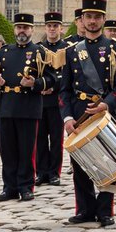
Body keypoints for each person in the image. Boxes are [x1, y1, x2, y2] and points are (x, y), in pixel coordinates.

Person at [60, 0, 116, 227]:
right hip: (80, 112)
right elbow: (64, 90)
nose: (92, 21)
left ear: (103, 19)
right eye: (88, 17)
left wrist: (106, 104)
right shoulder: (71, 52)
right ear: (81, 20)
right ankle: (85, 209)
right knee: (80, 164)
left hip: (105, 113)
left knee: (109, 162)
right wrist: (68, 117)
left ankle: (105, 209)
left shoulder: (115, 49)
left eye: (97, 17)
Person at [0, 13, 56, 203]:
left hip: (28, 107)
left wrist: (35, 83)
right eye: (19, 27)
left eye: (26, 27)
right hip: (6, 107)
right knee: (8, 151)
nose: (22, 31)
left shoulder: (40, 52)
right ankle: (9, 187)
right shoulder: (3, 52)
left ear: (32, 30)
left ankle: (26, 187)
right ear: (14, 30)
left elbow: (52, 78)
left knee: (27, 151)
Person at [36, 11, 68, 186]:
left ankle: (54, 172)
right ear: (45, 28)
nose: (52, 29)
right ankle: (41, 172)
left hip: (57, 100)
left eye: (55, 26)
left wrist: (52, 87)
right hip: (40, 101)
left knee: (56, 139)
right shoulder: (39, 49)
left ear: (61, 28)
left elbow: (68, 76)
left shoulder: (67, 49)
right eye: (49, 26)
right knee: (40, 139)